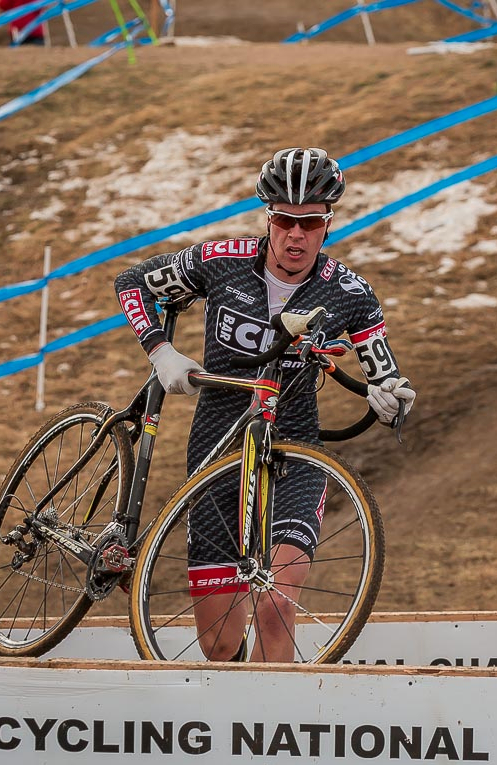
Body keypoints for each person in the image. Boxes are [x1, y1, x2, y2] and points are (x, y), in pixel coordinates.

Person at [113, 147, 415, 663]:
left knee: (276, 603)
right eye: (284, 221)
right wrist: (160, 350)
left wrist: (392, 400)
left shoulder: (351, 293)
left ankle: (276, 732)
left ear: (328, 225)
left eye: (310, 223)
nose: (295, 235)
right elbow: (131, 284)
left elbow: (385, 375)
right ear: (268, 218)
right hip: (217, 449)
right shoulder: (220, 261)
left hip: (294, 453)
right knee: (219, 643)